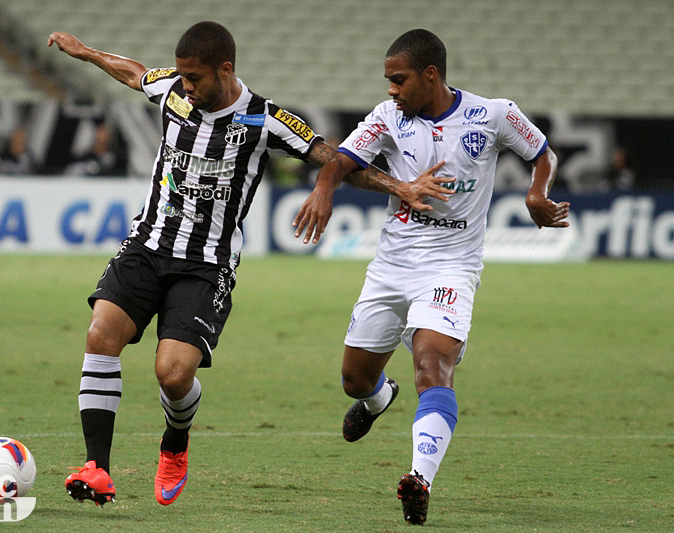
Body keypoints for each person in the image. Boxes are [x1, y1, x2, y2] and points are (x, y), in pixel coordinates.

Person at [47, 21, 433, 508]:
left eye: (195, 77)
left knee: (173, 375)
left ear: (224, 70)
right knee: (100, 335)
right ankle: (97, 468)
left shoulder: (264, 119)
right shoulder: (173, 89)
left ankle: (175, 441)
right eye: (182, 76)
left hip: (206, 265)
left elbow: (335, 158)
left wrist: (400, 187)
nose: (186, 86)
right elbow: (133, 73)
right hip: (147, 245)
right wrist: (84, 51)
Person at [293, 29, 569, 525]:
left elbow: (543, 154)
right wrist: (323, 190)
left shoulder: (493, 115)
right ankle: (379, 399)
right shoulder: (388, 116)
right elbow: (339, 162)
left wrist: (536, 193)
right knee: (355, 380)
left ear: (430, 74)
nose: (391, 89)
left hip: (452, 266)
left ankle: (419, 478)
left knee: (433, 366)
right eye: (388, 80)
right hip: (391, 266)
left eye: (399, 79)